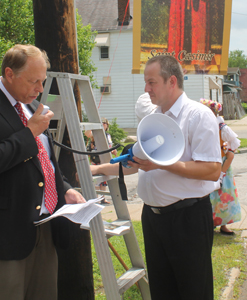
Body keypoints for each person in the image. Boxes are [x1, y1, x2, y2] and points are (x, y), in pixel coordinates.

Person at [0, 44, 85, 299]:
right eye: (33, 81)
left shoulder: (32, 106)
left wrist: (66, 189)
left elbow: (44, 161)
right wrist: (29, 133)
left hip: (44, 227)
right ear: (9, 74)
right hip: (5, 232)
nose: (39, 89)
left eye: (43, 81)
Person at [90, 55, 221, 300]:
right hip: (153, 218)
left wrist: (165, 163)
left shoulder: (198, 116)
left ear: (171, 81)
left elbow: (212, 169)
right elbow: (140, 164)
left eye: (151, 82)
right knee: (162, 291)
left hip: (187, 219)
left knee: (193, 291)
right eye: (145, 82)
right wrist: (97, 169)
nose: (146, 89)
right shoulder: (153, 118)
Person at [200, 98, 241, 235]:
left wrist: (223, 171)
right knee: (207, 195)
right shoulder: (201, 126)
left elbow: (232, 148)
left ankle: (223, 224)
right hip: (205, 163)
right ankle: (208, 223)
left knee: (223, 195)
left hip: (221, 164)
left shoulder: (222, 128)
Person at [85, 117, 117, 203]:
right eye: (101, 123)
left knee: (104, 179)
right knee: (96, 179)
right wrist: (91, 125)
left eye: (104, 124)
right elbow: (87, 133)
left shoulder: (108, 136)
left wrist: (113, 150)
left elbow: (110, 145)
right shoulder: (94, 134)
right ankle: (96, 198)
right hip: (96, 159)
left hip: (105, 158)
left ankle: (103, 198)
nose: (103, 125)